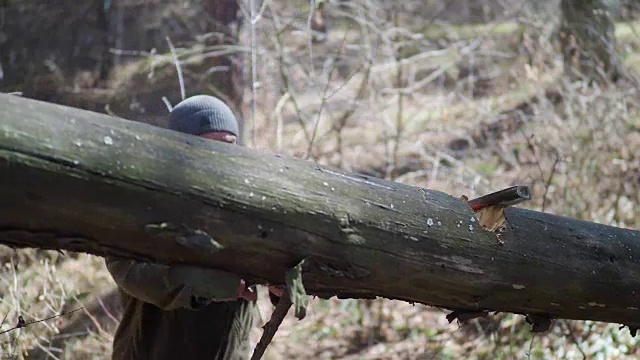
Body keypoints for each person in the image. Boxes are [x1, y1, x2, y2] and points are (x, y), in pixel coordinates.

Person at [106, 95, 280, 360]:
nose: (218, 159)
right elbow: (133, 273)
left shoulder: (249, 208)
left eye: (228, 146)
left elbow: (278, 264)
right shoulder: (145, 205)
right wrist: (213, 285)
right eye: (205, 147)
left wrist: (280, 285)